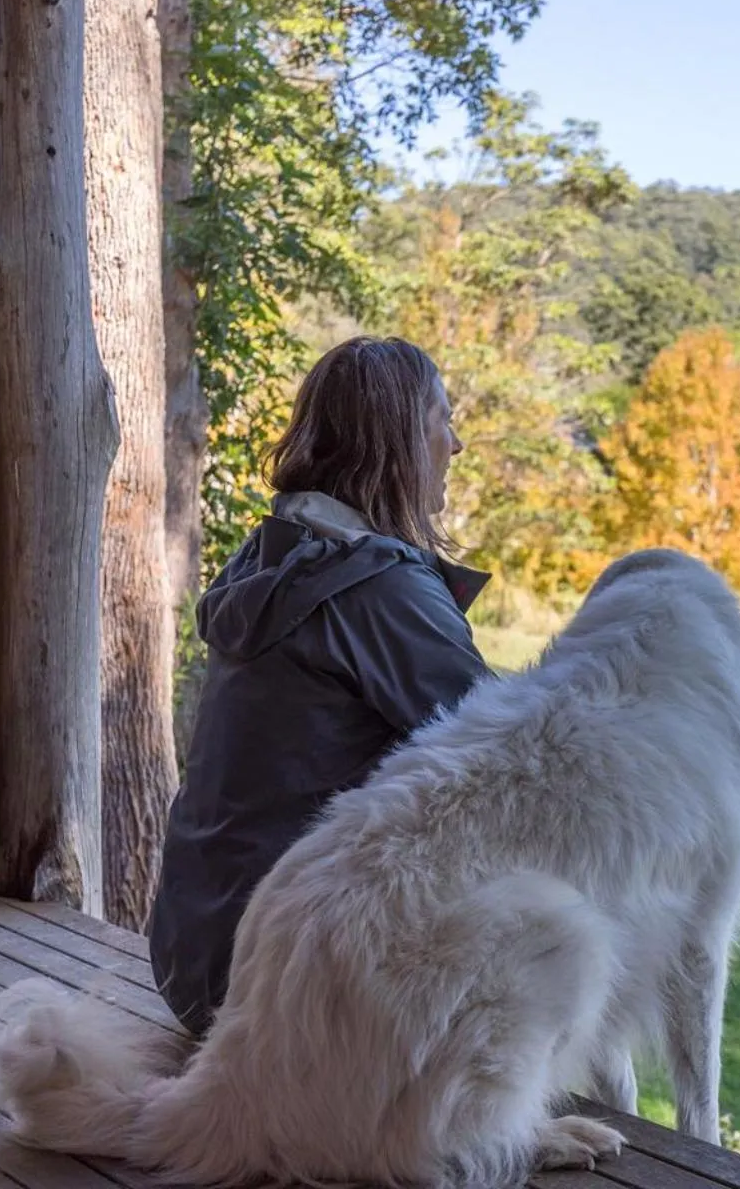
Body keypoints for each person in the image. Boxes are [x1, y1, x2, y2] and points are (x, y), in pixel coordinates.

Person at [148, 336, 492, 1035]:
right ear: (399, 440)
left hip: (197, 956)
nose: (455, 445)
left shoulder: (275, 555)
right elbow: (506, 756)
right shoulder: (376, 586)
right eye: (444, 420)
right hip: (280, 984)